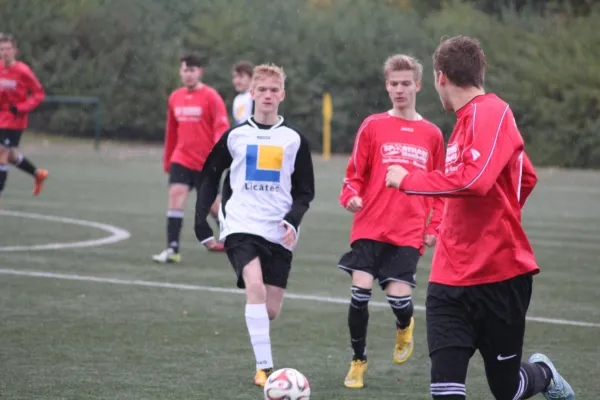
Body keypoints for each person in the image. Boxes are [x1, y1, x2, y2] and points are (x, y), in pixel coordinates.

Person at [385, 36, 574, 400]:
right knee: (446, 389)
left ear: (440, 77)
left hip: (498, 277)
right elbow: (524, 177)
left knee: (507, 389)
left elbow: (475, 179)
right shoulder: (461, 125)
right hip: (449, 280)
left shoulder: (491, 111)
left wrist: (409, 179)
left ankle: (544, 373)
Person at [194, 64, 315, 387]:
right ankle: (265, 369)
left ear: (282, 95)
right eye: (261, 90)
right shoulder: (235, 136)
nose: (267, 95)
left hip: (278, 229)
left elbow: (305, 191)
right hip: (240, 224)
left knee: (269, 309)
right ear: (252, 93)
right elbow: (208, 176)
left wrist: (293, 219)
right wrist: (201, 226)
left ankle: (260, 340)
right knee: (255, 286)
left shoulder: (293, 140)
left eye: (274, 90)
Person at [338, 54, 445, 389]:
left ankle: (405, 324)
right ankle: (358, 361)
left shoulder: (432, 134)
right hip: (369, 226)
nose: (399, 89)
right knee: (359, 295)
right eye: (394, 84)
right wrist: (350, 197)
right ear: (387, 86)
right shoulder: (372, 125)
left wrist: (434, 226)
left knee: (400, 301)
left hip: (407, 231)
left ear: (418, 85)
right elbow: (353, 175)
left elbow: (441, 188)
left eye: (405, 83)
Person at [152, 52, 229, 263]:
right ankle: (172, 249)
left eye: (192, 70)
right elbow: (172, 132)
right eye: (185, 70)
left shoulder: (211, 97)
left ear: (200, 72)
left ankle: (232, 239)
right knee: (176, 196)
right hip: (181, 159)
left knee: (213, 205)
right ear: (180, 72)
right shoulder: (175, 97)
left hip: (205, 163)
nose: (188, 75)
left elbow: (221, 127)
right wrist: (168, 159)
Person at [0, 32, 48, 206]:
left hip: (14, 120)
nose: (5, 52)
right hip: (1, 118)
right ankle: (38, 174)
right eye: (2, 49)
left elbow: (39, 93)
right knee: (10, 156)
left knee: (2, 154)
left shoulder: (22, 71)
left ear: (15, 51)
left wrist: (21, 108)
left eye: (8, 49)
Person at [232, 61, 254, 125]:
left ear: (251, 78)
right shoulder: (237, 99)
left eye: (241, 76)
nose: (237, 80)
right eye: (235, 77)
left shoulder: (255, 97)